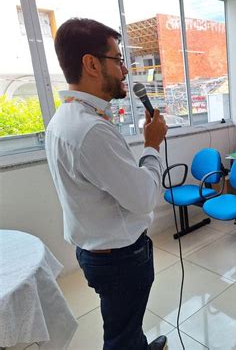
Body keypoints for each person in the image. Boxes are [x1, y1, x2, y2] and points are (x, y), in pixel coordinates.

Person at [45, 19, 168, 350]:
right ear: (91, 64)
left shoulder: (63, 119)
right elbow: (143, 198)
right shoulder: (90, 130)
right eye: (117, 59)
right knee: (120, 336)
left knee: (122, 321)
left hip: (96, 250)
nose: (126, 70)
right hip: (121, 258)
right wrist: (152, 145)